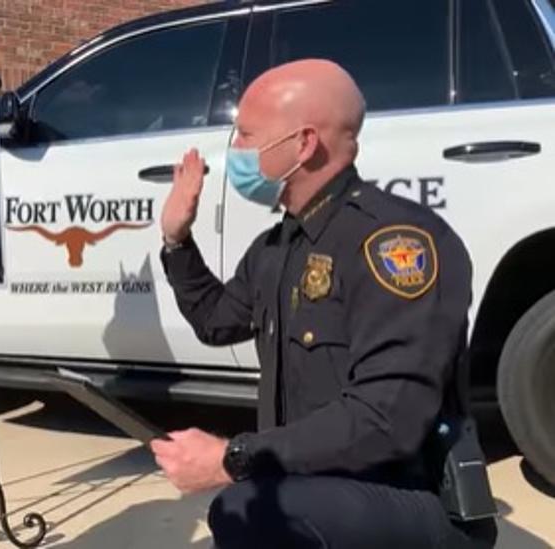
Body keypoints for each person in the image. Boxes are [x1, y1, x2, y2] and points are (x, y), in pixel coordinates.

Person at [152, 59, 497, 548]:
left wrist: (233, 456)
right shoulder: (277, 248)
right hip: (322, 485)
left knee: (245, 508)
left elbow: (386, 420)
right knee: (255, 505)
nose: (236, 152)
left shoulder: (396, 245)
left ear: (304, 143)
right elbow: (215, 322)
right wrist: (176, 239)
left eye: (247, 136)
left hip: (408, 496)